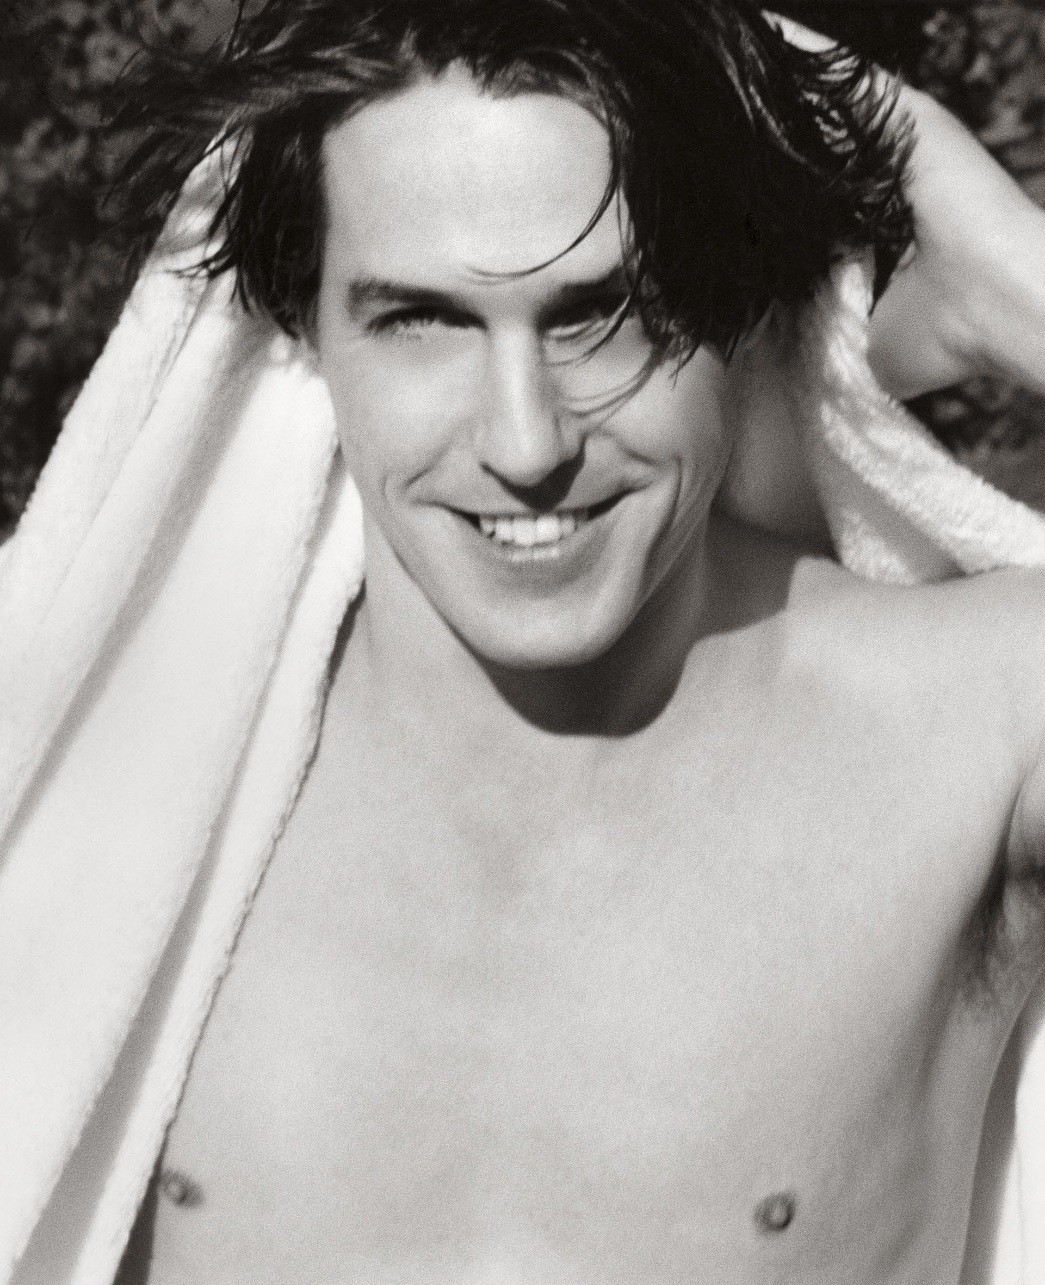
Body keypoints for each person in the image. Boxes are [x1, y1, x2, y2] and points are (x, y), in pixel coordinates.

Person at [6, 1, 1045, 1282]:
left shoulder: (972, 720)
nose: (525, 442)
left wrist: (1013, 291)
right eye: (422, 319)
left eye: (602, 314)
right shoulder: (97, 786)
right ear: (302, 325)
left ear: (739, 303)